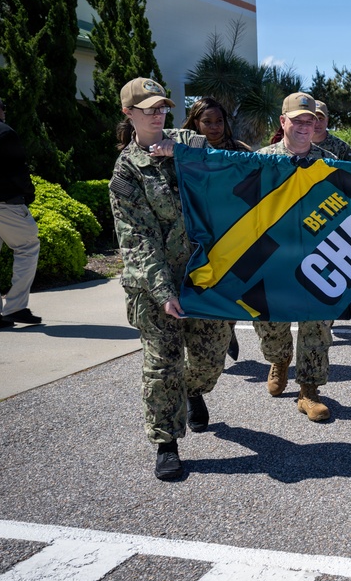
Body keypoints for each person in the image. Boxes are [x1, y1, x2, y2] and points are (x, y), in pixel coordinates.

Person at [108, 77, 231, 480]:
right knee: (163, 365)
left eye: (162, 107)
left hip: (203, 278)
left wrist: (180, 154)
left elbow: (224, 168)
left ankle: (193, 390)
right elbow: (137, 240)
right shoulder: (126, 172)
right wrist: (163, 292)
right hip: (154, 284)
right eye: (148, 109)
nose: (158, 115)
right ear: (129, 113)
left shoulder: (189, 143)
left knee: (210, 359)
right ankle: (166, 443)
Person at [254, 92, 338, 422]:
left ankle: (309, 391)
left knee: (317, 326)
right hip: (272, 259)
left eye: (310, 120)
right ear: (283, 121)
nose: (305, 126)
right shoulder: (260, 161)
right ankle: (279, 359)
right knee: (270, 325)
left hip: (318, 258)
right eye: (298, 120)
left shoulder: (329, 162)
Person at [181, 97, 249, 360]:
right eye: (207, 121)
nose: (214, 127)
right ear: (195, 123)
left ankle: (228, 327)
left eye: (219, 121)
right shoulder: (184, 151)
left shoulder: (240, 150)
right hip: (198, 232)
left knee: (231, 287)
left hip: (233, 231)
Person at [0, 91, 42, 331]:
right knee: (28, 246)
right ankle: (15, 307)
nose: (4, 110)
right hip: (6, 203)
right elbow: (18, 170)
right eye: (2, 105)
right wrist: (28, 194)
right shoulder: (2, 131)